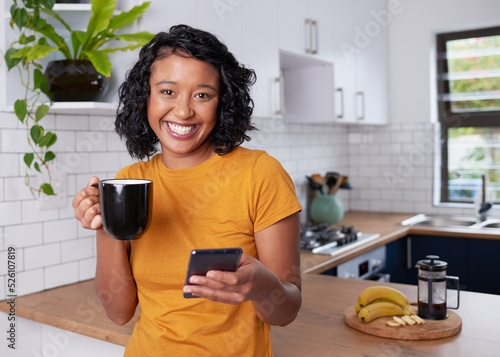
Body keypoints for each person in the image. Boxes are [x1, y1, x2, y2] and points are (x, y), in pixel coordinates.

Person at [72, 25, 302, 356]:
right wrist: (106, 224)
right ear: (145, 98)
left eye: (202, 95)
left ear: (222, 103)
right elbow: (118, 312)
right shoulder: (129, 179)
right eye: (167, 91)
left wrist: (264, 286)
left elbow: (286, 310)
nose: (183, 111)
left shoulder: (260, 174)